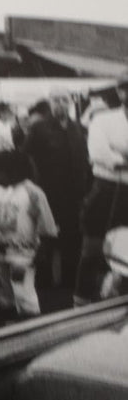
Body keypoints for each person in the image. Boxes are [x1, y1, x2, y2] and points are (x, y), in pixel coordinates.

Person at [0, 150, 58, 316]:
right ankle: (7, 314)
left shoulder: (33, 192)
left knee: (21, 288)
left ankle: (30, 318)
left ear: (13, 171)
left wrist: (44, 248)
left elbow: (46, 223)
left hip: (22, 253)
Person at [24, 92, 90, 291]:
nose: (60, 104)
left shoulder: (78, 128)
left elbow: (86, 161)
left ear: (70, 103)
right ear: (50, 103)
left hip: (75, 195)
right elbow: (27, 158)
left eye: (64, 100)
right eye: (56, 100)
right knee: (46, 238)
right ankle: (43, 282)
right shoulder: (39, 128)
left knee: (73, 238)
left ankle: (69, 281)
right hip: (48, 193)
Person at [74, 79, 128, 304]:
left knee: (124, 252)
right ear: (121, 92)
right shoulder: (103, 120)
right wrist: (117, 159)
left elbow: (113, 156)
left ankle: (118, 302)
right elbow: (98, 153)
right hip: (105, 189)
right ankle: (81, 302)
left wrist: (119, 155)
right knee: (93, 250)